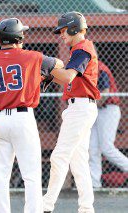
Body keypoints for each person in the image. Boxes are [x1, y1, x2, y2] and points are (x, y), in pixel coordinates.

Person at [0, 17, 64, 213]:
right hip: (23, 119)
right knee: (31, 175)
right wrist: (43, 75)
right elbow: (60, 64)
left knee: (1, 175)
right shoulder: (33, 57)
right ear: (19, 36)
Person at [42, 11, 101, 213]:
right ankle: (86, 207)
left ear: (75, 28)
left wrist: (50, 69)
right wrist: (51, 76)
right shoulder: (79, 49)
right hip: (80, 107)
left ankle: (46, 204)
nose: (61, 34)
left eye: (64, 30)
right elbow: (67, 79)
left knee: (59, 157)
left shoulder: (82, 49)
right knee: (78, 161)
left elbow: (67, 77)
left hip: (81, 108)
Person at [89, 60, 128, 188]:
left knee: (107, 148)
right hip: (97, 111)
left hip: (108, 109)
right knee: (92, 148)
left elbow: (105, 93)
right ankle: (95, 184)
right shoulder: (85, 69)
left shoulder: (100, 68)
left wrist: (90, 106)